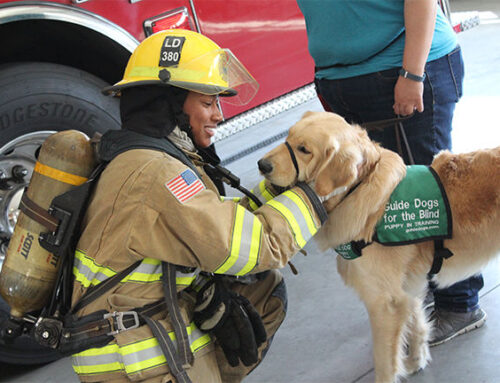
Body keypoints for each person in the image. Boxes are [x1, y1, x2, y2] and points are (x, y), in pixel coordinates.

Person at [69, 29, 327, 383]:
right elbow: (254, 246)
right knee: (257, 272)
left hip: (141, 320)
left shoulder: (152, 156)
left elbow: (220, 220)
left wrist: (280, 189)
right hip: (134, 361)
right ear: (169, 105)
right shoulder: (156, 172)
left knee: (260, 289)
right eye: (207, 103)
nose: (219, 115)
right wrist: (316, 193)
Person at [296, 0, 486, 346]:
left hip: (403, 70)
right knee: (385, 204)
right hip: (344, 81)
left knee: (432, 198)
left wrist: (412, 74)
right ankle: (419, 290)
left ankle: (460, 304)